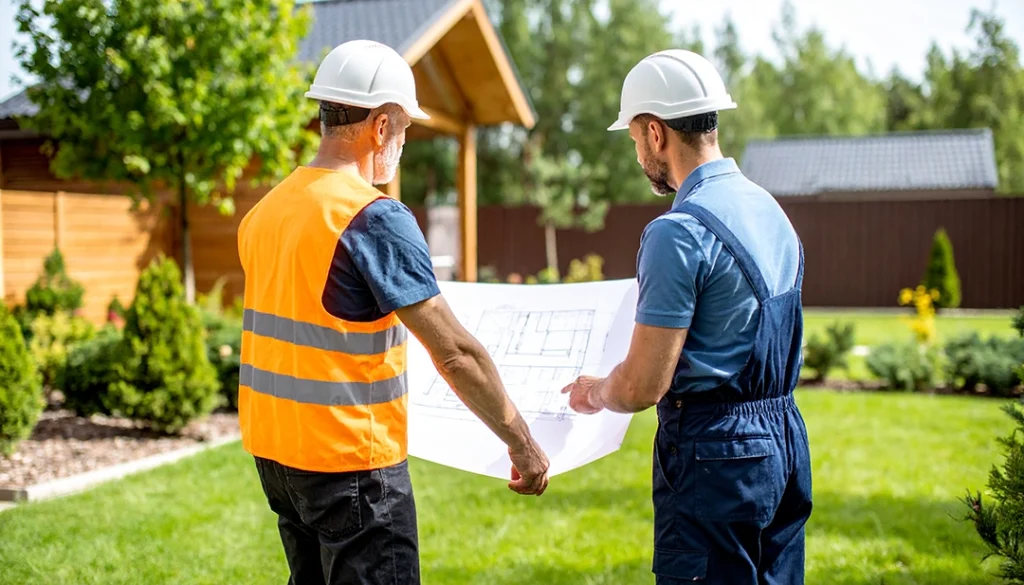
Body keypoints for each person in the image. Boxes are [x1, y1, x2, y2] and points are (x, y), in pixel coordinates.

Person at [236, 40, 550, 585]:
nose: (402, 143)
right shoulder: (373, 217)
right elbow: (456, 353)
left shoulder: (266, 211)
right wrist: (522, 442)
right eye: (404, 129)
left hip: (280, 461)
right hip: (352, 469)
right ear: (381, 127)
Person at [561, 49, 812, 584]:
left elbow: (643, 386)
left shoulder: (677, 232)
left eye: (634, 139)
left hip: (714, 458)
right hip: (785, 442)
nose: (638, 155)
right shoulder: (770, 210)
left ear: (656, 133)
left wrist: (595, 392)